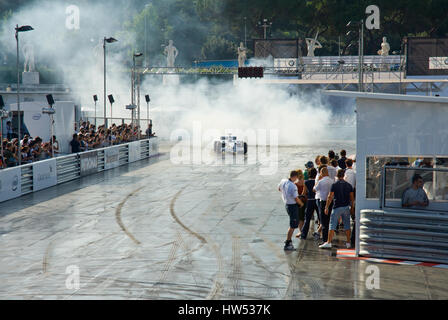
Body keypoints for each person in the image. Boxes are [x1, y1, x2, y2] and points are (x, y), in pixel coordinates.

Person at [319, 169, 355, 249]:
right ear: (344, 176)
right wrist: (352, 207)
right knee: (347, 225)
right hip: (346, 207)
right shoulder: (349, 185)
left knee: (332, 225)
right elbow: (352, 198)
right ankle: (348, 242)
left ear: (337, 176)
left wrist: (326, 207)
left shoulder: (334, 185)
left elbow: (330, 196)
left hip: (337, 207)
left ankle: (328, 242)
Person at [278, 170, 304, 251]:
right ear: (295, 177)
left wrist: (285, 194)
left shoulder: (283, 181)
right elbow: (296, 198)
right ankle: (288, 242)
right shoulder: (293, 186)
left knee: (293, 224)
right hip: (292, 206)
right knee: (292, 225)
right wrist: (301, 204)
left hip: (287, 204)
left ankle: (288, 242)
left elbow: (279, 188)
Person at [313, 167, 334, 244]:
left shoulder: (321, 181)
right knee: (329, 221)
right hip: (331, 202)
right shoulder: (332, 181)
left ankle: (325, 240)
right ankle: (329, 239)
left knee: (323, 222)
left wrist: (318, 180)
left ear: (322, 173)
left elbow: (314, 189)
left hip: (323, 202)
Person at [300, 167, 319, 240]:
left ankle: (303, 234)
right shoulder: (317, 181)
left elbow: (304, 193)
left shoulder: (306, 182)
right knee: (320, 218)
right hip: (317, 200)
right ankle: (319, 233)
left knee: (307, 219)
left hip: (310, 201)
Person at [294, 169, 307, 238]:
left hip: (299, 201)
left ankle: (301, 231)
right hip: (306, 200)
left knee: (300, 218)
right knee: (306, 217)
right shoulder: (305, 182)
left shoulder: (295, 184)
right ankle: (305, 231)